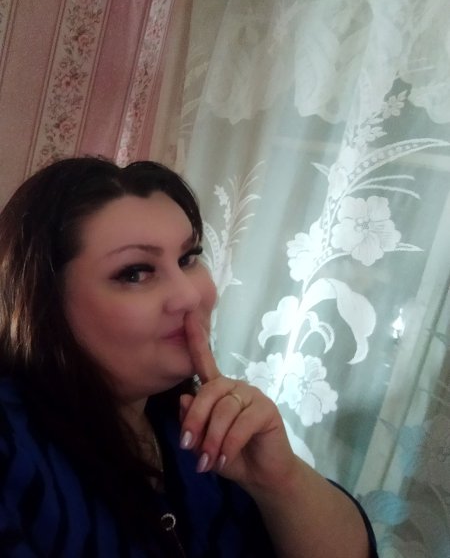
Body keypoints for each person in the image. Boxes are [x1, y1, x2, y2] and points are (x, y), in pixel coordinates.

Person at [0, 156, 378, 557]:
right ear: (42, 302)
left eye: (188, 259)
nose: (189, 296)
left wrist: (281, 482)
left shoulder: (192, 425)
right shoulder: (12, 447)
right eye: (135, 272)